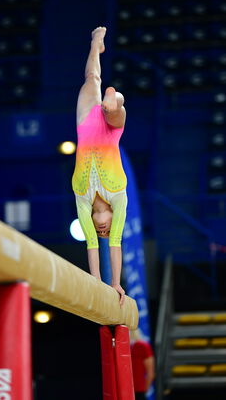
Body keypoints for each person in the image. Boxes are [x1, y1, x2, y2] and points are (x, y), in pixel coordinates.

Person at [72, 26, 128, 305]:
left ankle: (96, 44)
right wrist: (115, 283)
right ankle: (114, 100)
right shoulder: (119, 198)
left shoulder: (82, 200)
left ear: (93, 222)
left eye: (101, 230)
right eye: (107, 230)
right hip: (109, 131)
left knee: (91, 76)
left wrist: (95, 279)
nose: (104, 233)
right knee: (114, 109)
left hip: (84, 125)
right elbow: (114, 245)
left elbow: (91, 244)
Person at [130, 329, 155, 400]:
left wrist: (145, 390)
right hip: (125, 389)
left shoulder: (142, 346)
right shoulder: (121, 348)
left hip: (139, 390)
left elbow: (150, 373)